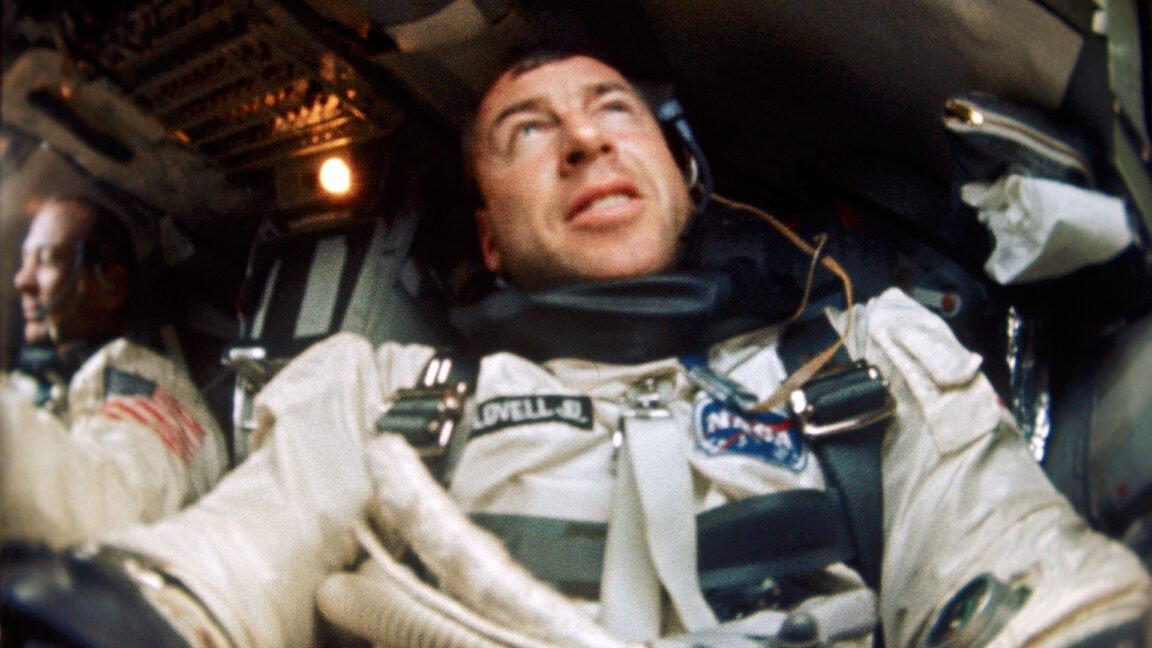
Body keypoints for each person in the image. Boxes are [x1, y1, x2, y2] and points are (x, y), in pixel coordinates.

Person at [3, 53, 1149, 648]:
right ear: (489, 237)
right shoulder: (381, 393)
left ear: (678, 176)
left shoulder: (871, 364)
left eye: (614, 111)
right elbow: (223, 573)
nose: (585, 137)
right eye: (526, 130)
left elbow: (1019, 576)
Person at [1, 197, 228, 548]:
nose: (22, 281)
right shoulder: (52, 386)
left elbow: (106, 498)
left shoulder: (148, 385)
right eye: (23, 261)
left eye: (45, 260)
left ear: (112, 287)